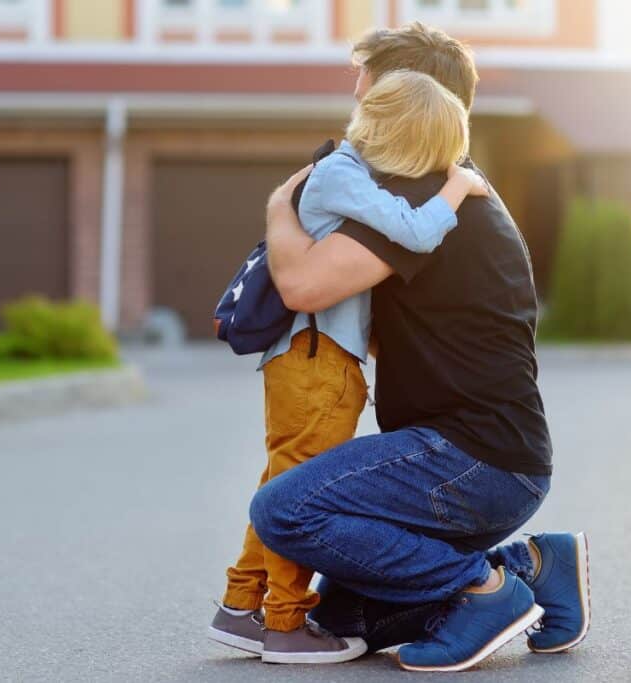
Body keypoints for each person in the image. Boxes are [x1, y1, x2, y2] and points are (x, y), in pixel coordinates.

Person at [248, 22, 591, 672]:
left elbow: (301, 282)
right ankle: (537, 565)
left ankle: (483, 589)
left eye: (367, 85)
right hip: (488, 462)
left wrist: (279, 203)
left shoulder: (419, 195)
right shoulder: (446, 187)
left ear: (410, 95)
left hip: (470, 461)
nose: (356, 98)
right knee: (347, 614)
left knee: (284, 510)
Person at [208, 69, 491, 665]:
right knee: (296, 494)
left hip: (317, 360)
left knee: (281, 481)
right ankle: (283, 621)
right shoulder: (342, 173)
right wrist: (458, 188)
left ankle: (241, 605)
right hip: (316, 361)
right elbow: (416, 231)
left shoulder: (343, 174)